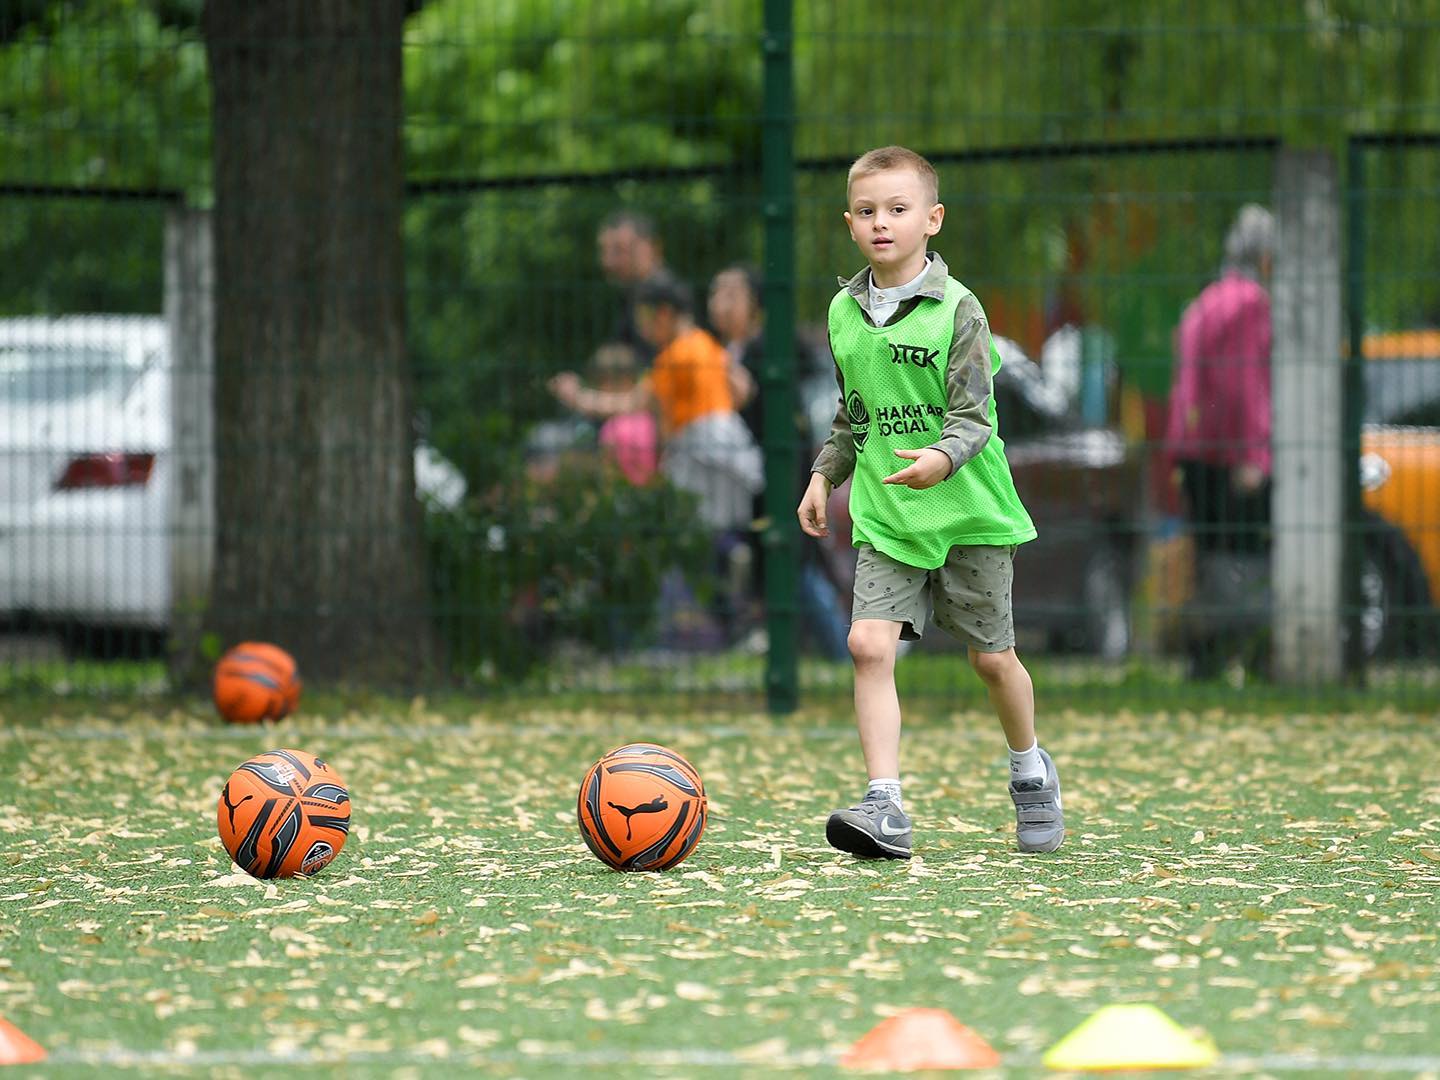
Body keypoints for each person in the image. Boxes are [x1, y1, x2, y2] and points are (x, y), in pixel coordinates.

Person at [796, 145, 1063, 859]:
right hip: (888, 516)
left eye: (897, 209)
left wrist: (941, 459)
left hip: (968, 511)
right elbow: (853, 416)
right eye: (866, 211)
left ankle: (1030, 772)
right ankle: (885, 806)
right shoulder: (843, 313)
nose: (881, 223)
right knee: (866, 645)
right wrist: (826, 475)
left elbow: (974, 419)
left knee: (991, 661)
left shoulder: (960, 310)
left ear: (932, 219)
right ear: (849, 223)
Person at [551, 273, 762, 643]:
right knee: (720, 532)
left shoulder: (673, 357)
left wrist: (578, 397)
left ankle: (713, 613)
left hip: (698, 450)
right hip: (732, 443)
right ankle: (733, 577)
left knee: (691, 539)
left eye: (645, 319)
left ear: (662, 314)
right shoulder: (705, 343)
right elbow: (743, 389)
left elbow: (634, 404)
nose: (643, 329)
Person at [707, 263, 850, 660]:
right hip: (747, 476)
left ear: (755, 304)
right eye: (715, 294)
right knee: (777, 564)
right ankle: (798, 650)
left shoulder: (766, 346)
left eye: (730, 295)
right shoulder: (726, 352)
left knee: (794, 562)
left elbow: (755, 401)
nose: (718, 304)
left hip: (782, 474)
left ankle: (842, 651)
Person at [1164, 204, 1275, 676]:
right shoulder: (1250, 303)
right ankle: (1245, 655)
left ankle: (1204, 660)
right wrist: (1254, 455)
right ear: (1266, 258)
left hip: (1193, 450)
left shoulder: (1206, 300)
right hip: (1230, 454)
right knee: (1245, 555)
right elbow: (1243, 382)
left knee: (1211, 554)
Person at [596, 211, 669, 359]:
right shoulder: (635, 292)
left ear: (650, 247)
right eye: (604, 251)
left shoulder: (660, 295)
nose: (608, 262)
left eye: (619, 250)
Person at [590, 342, 658, 486]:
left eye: (602, 382)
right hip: (652, 494)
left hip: (624, 496)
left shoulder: (612, 428)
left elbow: (608, 473)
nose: (599, 388)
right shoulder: (650, 419)